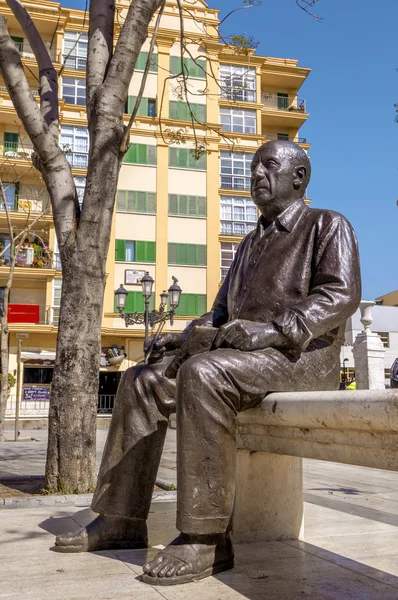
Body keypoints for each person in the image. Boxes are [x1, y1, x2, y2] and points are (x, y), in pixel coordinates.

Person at [54, 141, 361, 586]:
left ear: (299, 178)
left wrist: (274, 330)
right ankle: (121, 518)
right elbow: (218, 314)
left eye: (269, 166)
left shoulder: (326, 225)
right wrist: (182, 339)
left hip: (303, 357)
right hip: (245, 357)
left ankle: (207, 537)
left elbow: (340, 295)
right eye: (255, 166)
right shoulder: (250, 243)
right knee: (142, 379)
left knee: (204, 374)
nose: (257, 174)